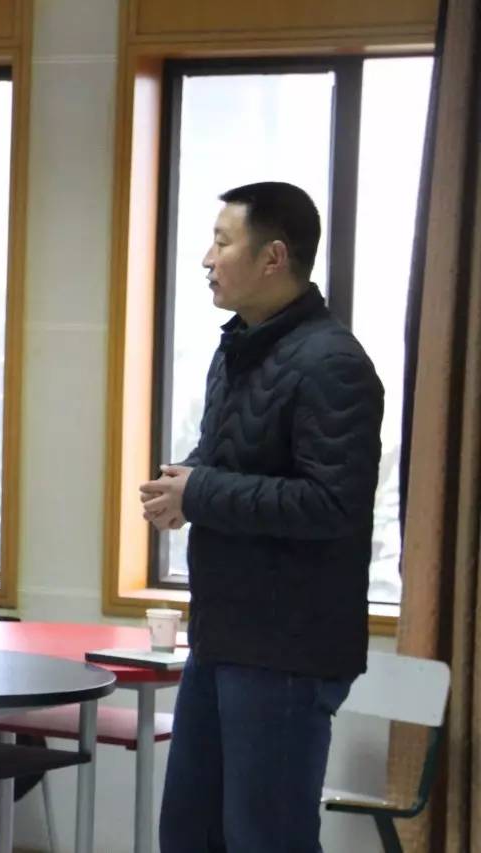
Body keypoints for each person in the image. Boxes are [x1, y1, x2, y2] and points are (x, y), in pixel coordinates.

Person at [142, 182, 384, 852]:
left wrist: (202, 492)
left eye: (222, 242)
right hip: (222, 638)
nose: (206, 259)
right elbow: (231, 457)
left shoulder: (334, 364)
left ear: (273, 257)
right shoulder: (239, 348)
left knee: (266, 839)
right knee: (189, 834)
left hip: (287, 650)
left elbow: (332, 502)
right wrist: (182, 485)